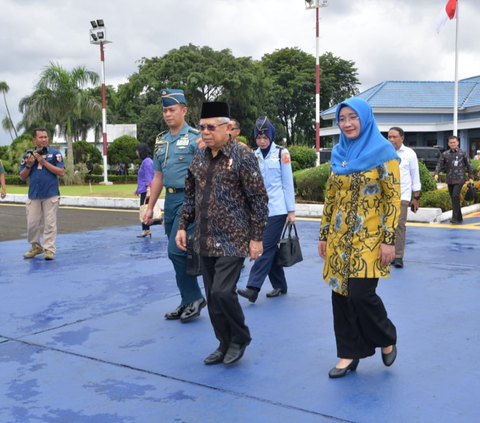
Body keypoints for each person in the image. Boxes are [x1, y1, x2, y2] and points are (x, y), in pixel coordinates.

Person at [175, 101, 268, 365]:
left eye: (211, 127)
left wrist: (257, 237)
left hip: (233, 238)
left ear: (228, 128)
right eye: (202, 127)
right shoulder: (199, 156)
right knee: (213, 297)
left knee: (222, 292)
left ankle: (240, 337)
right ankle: (224, 342)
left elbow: (259, 199)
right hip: (204, 237)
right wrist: (182, 226)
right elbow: (190, 196)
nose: (205, 132)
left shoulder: (242, 155)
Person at [318, 98, 401, 379]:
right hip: (339, 240)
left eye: (353, 117)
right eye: (342, 119)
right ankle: (348, 353)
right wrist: (324, 235)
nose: (347, 123)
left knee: (361, 295)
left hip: (370, 240)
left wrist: (390, 240)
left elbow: (392, 200)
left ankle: (386, 336)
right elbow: (330, 197)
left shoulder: (384, 152)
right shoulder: (339, 153)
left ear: (365, 118)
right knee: (340, 297)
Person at [143, 89, 206, 323]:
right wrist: (150, 207)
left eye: (172, 110)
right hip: (169, 202)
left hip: (189, 201)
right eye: (164, 110)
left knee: (176, 249)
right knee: (177, 254)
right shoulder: (161, 140)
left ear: (184, 110)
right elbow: (157, 176)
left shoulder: (195, 139)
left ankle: (195, 297)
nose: (167, 114)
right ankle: (186, 300)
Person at [237, 117, 295, 303]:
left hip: (277, 209)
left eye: (265, 136)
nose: (262, 140)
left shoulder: (281, 153)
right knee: (272, 251)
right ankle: (280, 285)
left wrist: (291, 211)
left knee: (265, 247)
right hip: (258, 211)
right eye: (259, 137)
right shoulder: (252, 155)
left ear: (271, 136)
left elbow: (287, 183)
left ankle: (253, 287)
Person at [19, 128, 65, 260]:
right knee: (32, 223)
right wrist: (28, 165)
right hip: (34, 194)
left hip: (50, 194)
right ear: (34, 140)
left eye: (46, 137)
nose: (44, 139)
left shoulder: (55, 153)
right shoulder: (28, 154)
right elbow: (22, 177)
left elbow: (61, 172)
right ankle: (36, 246)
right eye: (41, 137)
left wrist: (43, 162)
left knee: (50, 223)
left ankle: (49, 249)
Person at [387, 127, 421, 268]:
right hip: (385, 197)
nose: (392, 140)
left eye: (394, 137)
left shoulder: (409, 154)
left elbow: (415, 175)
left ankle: (398, 256)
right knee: (385, 226)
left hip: (402, 196)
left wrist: (416, 197)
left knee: (399, 226)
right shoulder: (384, 152)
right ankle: (387, 255)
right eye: (389, 137)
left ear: (402, 138)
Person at [434, 136, 474, 224]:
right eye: (451, 142)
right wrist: (436, 173)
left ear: (458, 143)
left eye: (454, 142)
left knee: (455, 195)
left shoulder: (463, 153)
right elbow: (439, 164)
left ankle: (454, 218)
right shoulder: (445, 154)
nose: (453, 144)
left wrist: (471, 177)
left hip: (460, 178)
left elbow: (469, 165)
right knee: (453, 198)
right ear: (448, 144)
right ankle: (459, 217)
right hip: (450, 179)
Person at [134, 143, 155, 238]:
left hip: (146, 191)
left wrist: (149, 189)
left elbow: (149, 176)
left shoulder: (147, 161)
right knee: (144, 209)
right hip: (143, 189)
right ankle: (146, 230)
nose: (136, 153)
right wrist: (137, 188)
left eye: (137, 151)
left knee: (145, 210)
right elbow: (143, 178)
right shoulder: (146, 161)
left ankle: (162, 223)